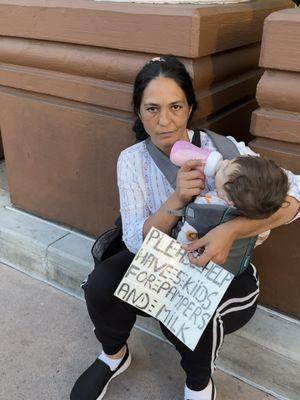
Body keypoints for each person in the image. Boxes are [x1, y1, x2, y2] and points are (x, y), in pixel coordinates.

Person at [70, 56, 300, 400]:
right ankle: (114, 356)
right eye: (151, 109)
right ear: (138, 111)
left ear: (190, 107)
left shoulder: (224, 150)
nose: (165, 122)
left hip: (223, 270)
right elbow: (135, 240)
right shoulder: (132, 161)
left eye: (176, 106)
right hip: (163, 259)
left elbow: (294, 193)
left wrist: (232, 230)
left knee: (195, 319)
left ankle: (198, 385)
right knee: (101, 285)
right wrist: (176, 198)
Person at [176, 154, 289, 244]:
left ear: (229, 199)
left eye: (224, 169)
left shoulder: (206, 205)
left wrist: (179, 244)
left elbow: (188, 234)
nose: (223, 162)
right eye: (229, 162)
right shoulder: (258, 217)